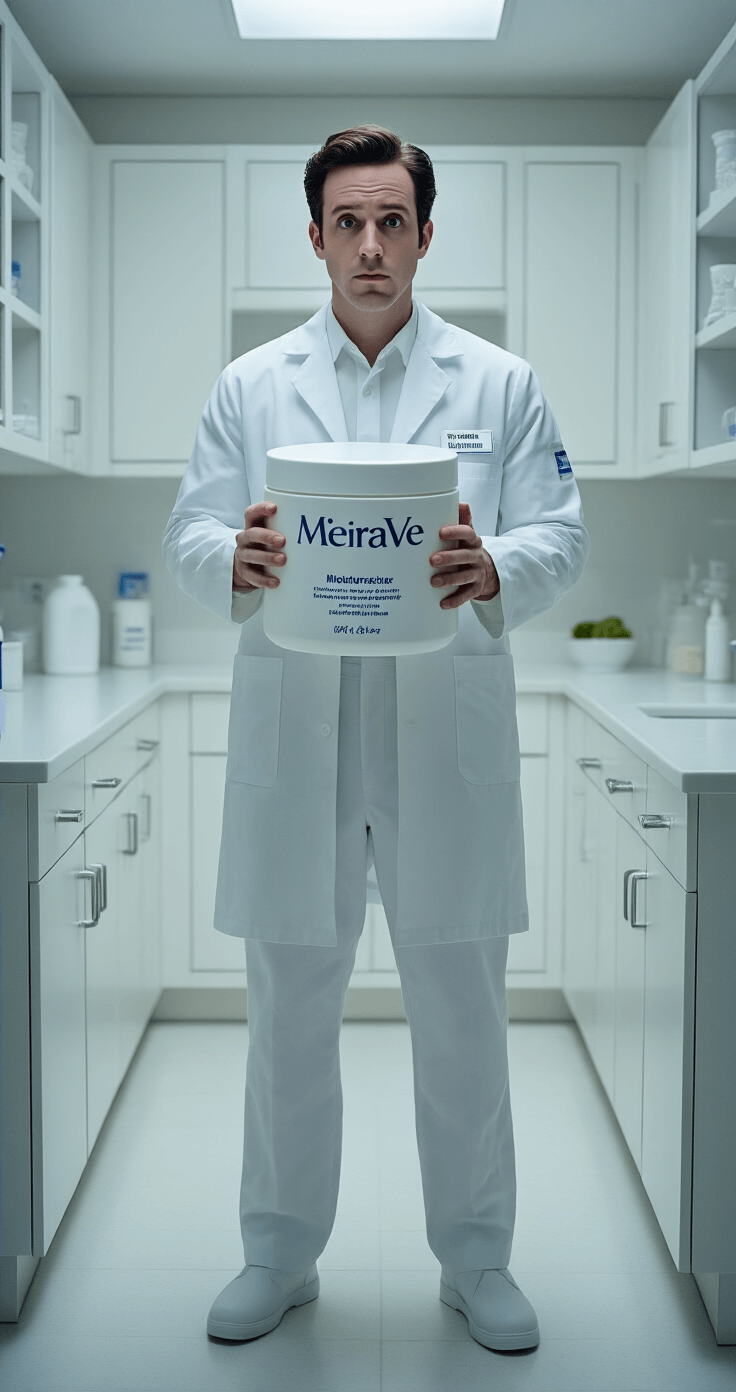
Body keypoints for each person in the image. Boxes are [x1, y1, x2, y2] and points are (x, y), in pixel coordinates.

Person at [163, 124, 590, 1353]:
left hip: (438, 737)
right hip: (299, 733)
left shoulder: (499, 384)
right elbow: (194, 529)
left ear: (424, 234)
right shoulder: (249, 385)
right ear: (313, 237)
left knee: (459, 1005)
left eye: (390, 221)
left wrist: (494, 559)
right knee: (290, 1006)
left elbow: (559, 532)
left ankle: (476, 1261)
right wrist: (228, 560)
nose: (369, 244)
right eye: (346, 222)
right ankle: (278, 1254)